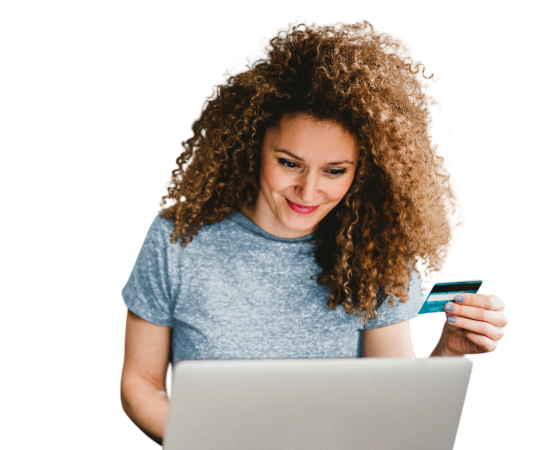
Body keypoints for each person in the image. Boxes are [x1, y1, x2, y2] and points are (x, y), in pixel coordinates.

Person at [119, 17, 509, 447]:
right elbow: (139, 381)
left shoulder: (375, 249)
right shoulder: (179, 236)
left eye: (335, 171)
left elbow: (391, 412)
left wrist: (450, 351)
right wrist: (212, 440)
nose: (308, 191)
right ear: (253, 143)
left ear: (364, 171)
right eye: (289, 163)